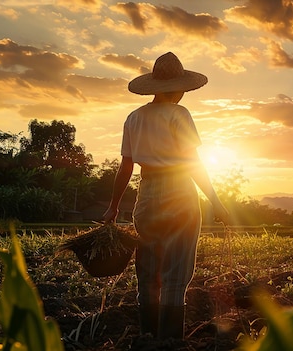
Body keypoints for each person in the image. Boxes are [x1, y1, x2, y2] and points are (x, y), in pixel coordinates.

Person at [103, 52, 229, 341]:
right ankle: (170, 341)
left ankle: (148, 334)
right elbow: (193, 163)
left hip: (146, 195)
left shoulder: (134, 118)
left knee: (148, 270)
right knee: (176, 272)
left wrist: (113, 207)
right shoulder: (179, 115)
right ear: (179, 89)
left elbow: (126, 167)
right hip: (179, 193)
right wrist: (216, 201)